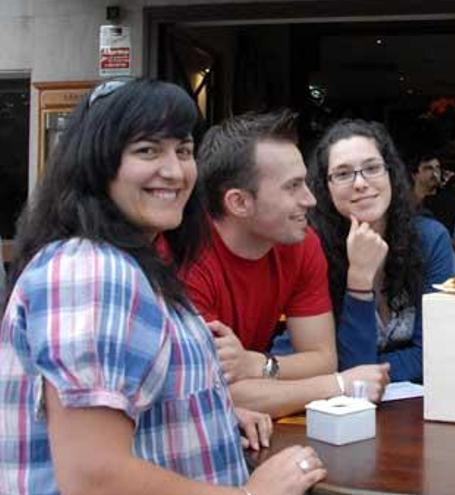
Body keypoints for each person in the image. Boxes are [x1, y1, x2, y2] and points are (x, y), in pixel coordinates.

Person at [0, 79, 324, 495]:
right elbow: (92, 475)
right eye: (147, 150)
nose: (174, 171)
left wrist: (211, 416)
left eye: (183, 150)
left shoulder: (128, 263)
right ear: (96, 163)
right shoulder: (93, 271)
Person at [180, 111, 389, 419]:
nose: (311, 200)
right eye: (292, 186)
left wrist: (257, 365)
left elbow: (321, 358)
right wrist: (338, 385)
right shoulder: (186, 259)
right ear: (238, 202)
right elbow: (210, 393)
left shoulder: (301, 242)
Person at [309, 119, 455, 383]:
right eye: (343, 174)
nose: (360, 183)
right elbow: (338, 364)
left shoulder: (431, 239)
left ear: (391, 173)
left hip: (422, 409)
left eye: (372, 168)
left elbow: (437, 350)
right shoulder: (312, 251)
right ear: (325, 187)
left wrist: (363, 375)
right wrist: (359, 280)